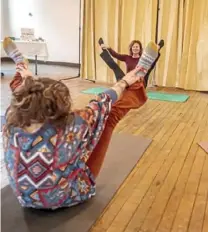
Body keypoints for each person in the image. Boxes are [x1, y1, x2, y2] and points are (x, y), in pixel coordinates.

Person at [1, 37, 157, 209]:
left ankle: (20, 65)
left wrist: (26, 74)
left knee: (26, 98)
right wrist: (126, 81)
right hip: (67, 196)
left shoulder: (10, 120)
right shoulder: (75, 124)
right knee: (109, 116)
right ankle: (139, 76)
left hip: (24, 198)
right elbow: (104, 99)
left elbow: (24, 95)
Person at [99, 38, 164, 87]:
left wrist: (156, 50)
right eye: (134, 47)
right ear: (131, 48)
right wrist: (109, 48)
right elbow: (115, 55)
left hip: (140, 82)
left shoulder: (143, 58)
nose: (135, 48)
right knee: (115, 67)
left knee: (150, 66)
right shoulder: (127, 57)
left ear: (140, 49)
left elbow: (150, 62)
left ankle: (158, 48)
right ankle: (104, 49)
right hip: (128, 82)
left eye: (137, 47)